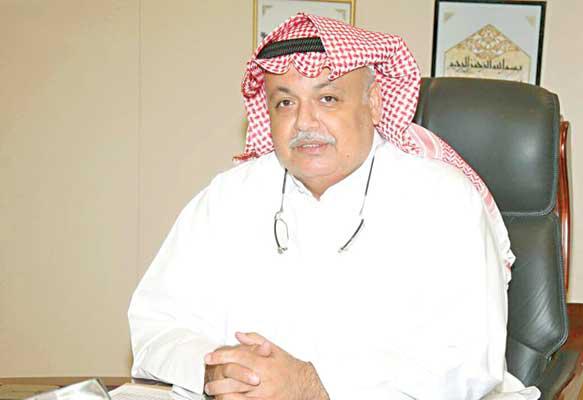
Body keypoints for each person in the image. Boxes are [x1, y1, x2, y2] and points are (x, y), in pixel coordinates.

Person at [128, 13, 541, 400]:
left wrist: (313, 385)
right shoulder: (228, 197)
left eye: (327, 98)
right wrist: (216, 370)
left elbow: (467, 364)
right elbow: (157, 326)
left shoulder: (442, 200)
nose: (304, 122)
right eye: (285, 103)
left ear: (374, 103)